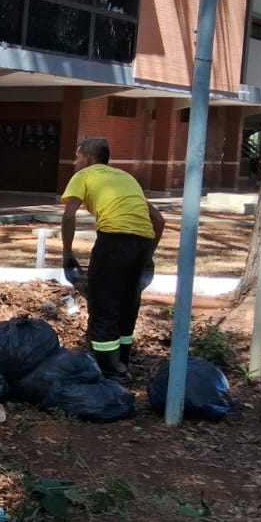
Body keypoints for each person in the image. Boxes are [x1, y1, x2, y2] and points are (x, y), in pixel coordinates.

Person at [60, 137, 165, 378]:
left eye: (77, 158)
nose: (74, 164)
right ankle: (122, 362)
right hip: (142, 242)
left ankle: (106, 368)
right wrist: (147, 254)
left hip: (114, 241)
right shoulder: (126, 177)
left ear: (87, 158)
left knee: (103, 303)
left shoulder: (84, 175)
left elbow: (68, 216)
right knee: (128, 302)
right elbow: (159, 220)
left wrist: (67, 253)